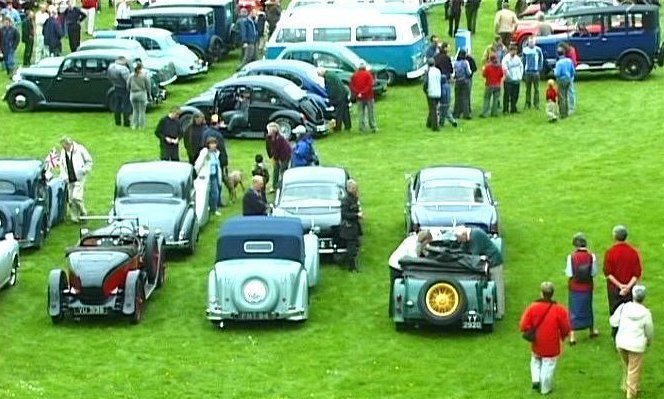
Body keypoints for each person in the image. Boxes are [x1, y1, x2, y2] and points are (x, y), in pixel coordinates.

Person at [519, 282, 571, 396]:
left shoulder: (533, 307)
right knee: (549, 364)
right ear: (552, 294)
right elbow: (566, 327)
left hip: (537, 342)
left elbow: (523, 325)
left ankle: (536, 379)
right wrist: (563, 336)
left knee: (535, 360)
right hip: (551, 343)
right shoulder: (559, 309)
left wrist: (531, 329)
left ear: (541, 293)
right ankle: (545, 388)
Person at [610, 285, 654, 399]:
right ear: (644, 298)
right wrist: (648, 341)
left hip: (621, 343)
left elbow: (613, 322)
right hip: (636, 345)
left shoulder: (623, 307)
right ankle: (630, 394)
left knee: (628, 365)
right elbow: (649, 331)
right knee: (633, 370)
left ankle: (627, 386)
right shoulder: (646, 313)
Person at [454, 226, 504, 318]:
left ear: (464, 235)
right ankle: (491, 309)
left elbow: (474, 255)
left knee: (497, 287)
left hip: (494, 262)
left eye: (460, 239)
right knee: (489, 288)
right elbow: (462, 251)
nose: (459, 241)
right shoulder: (466, 237)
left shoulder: (476, 236)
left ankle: (499, 312)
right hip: (486, 263)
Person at [565, 233, 600, 345]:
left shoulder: (571, 257)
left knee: (574, 310)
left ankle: (572, 337)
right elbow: (594, 272)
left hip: (575, 288)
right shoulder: (591, 256)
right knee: (588, 308)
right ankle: (591, 330)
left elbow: (569, 273)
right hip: (587, 287)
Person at [604, 225, 642, 316]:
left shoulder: (610, 252)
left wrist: (621, 286)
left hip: (614, 290)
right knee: (630, 315)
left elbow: (608, 273)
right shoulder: (633, 252)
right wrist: (628, 287)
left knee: (615, 316)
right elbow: (637, 273)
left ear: (614, 237)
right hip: (630, 290)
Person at [59, 137, 93, 223]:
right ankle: (75, 218)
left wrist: (84, 170)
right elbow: (62, 165)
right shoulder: (63, 152)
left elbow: (89, 161)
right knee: (70, 199)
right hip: (69, 179)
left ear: (69, 144)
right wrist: (63, 176)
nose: (64, 148)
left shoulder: (80, 149)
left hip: (79, 178)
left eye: (65, 146)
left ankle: (83, 213)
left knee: (76, 197)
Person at [194, 137, 223, 216]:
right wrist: (196, 173)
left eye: (214, 144)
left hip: (214, 176)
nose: (213, 146)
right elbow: (199, 163)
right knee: (205, 193)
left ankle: (213, 209)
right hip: (206, 176)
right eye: (211, 144)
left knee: (215, 192)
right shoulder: (204, 152)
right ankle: (206, 208)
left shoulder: (216, 153)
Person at [340, 179, 363, 273]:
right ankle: (351, 267)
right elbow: (344, 214)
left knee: (355, 246)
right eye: (354, 188)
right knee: (351, 248)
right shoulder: (346, 201)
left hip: (354, 226)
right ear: (350, 189)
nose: (356, 190)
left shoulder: (354, 198)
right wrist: (357, 215)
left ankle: (353, 266)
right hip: (349, 228)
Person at [319, 67, 351, 131]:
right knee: (345, 112)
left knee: (338, 113)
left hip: (338, 96)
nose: (320, 76)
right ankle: (348, 126)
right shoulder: (331, 74)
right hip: (343, 94)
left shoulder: (328, 78)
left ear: (322, 72)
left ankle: (337, 128)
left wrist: (331, 99)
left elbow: (331, 89)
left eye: (319, 74)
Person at [350, 63, 377, 133]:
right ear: (365, 67)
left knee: (361, 113)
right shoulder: (368, 74)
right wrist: (363, 92)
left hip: (359, 98)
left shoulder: (354, 75)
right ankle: (373, 126)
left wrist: (358, 93)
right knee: (371, 112)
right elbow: (370, 85)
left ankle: (362, 128)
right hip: (368, 96)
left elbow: (351, 86)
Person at [265, 121, 291, 193]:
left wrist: (278, 159)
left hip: (285, 155)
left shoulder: (280, 138)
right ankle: (274, 187)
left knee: (283, 170)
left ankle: (283, 186)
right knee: (275, 170)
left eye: (269, 130)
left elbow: (279, 149)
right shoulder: (268, 137)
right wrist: (271, 157)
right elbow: (268, 147)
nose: (268, 131)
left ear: (273, 130)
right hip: (277, 155)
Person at [107, 56, 131, 127]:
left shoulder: (111, 67)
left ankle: (117, 121)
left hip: (116, 87)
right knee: (126, 105)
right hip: (124, 88)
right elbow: (128, 81)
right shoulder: (124, 69)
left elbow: (109, 77)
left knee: (117, 105)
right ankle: (126, 122)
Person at [127, 63, 152, 130]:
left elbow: (128, 85)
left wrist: (130, 90)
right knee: (142, 111)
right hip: (141, 94)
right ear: (141, 68)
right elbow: (148, 86)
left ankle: (134, 126)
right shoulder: (144, 76)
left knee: (135, 110)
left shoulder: (131, 75)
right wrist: (149, 94)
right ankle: (141, 126)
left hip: (133, 94)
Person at [522, 37, 544, 109]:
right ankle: (527, 103)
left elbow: (541, 59)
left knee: (536, 89)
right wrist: (524, 70)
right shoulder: (525, 50)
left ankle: (536, 104)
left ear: (535, 42)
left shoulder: (538, 50)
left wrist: (539, 69)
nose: (531, 43)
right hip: (528, 72)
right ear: (528, 42)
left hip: (535, 72)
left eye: (533, 42)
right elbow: (523, 60)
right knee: (528, 89)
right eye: (530, 42)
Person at [501, 45, 523, 114]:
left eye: (515, 51)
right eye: (513, 50)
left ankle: (513, 108)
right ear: (510, 51)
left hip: (517, 80)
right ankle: (505, 110)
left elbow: (521, 66)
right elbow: (505, 69)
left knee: (515, 95)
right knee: (507, 95)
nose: (514, 52)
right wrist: (510, 77)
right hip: (508, 81)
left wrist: (520, 76)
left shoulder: (517, 58)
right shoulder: (505, 59)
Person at [553, 45, 574, 119]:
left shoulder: (559, 63)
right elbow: (572, 71)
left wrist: (554, 71)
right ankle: (567, 111)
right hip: (568, 79)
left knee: (562, 97)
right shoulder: (569, 60)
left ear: (558, 54)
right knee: (566, 95)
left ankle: (563, 114)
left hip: (561, 80)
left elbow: (557, 74)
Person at [481, 53, 504, 118]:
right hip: (497, 85)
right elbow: (501, 74)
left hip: (489, 85)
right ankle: (494, 113)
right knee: (496, 99)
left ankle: (484, 113)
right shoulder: (499, 66)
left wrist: (483, 70)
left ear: (490, 59)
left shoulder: (488, 66)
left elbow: (484, 75)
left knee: (487, 99)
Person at [452, 49, 472, 120]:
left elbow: (453, 74)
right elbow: (469, 72)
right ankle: (466, 114)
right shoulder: (466, 62)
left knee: (457, 98)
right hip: (465, 82)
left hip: (458, 82)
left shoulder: (455, 63)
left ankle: (456, 113)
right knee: (465, 98)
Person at [424, 57, 442, 131]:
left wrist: (425, 90)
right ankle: (429, 123)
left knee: (433, 109)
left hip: (431, 92)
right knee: (433, 108)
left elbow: (425, 83)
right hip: (438, 92)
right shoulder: (438, 71)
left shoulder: (428, 72)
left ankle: (434, 126)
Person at [561, 42, 578, 115]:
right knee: (567, 91)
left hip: (569, 74)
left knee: (570, 91)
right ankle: (567, 107)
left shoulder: (571, 52)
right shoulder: (568, 52)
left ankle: (571, 108)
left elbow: (573, 63)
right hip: (566, 74)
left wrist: (571, 74)